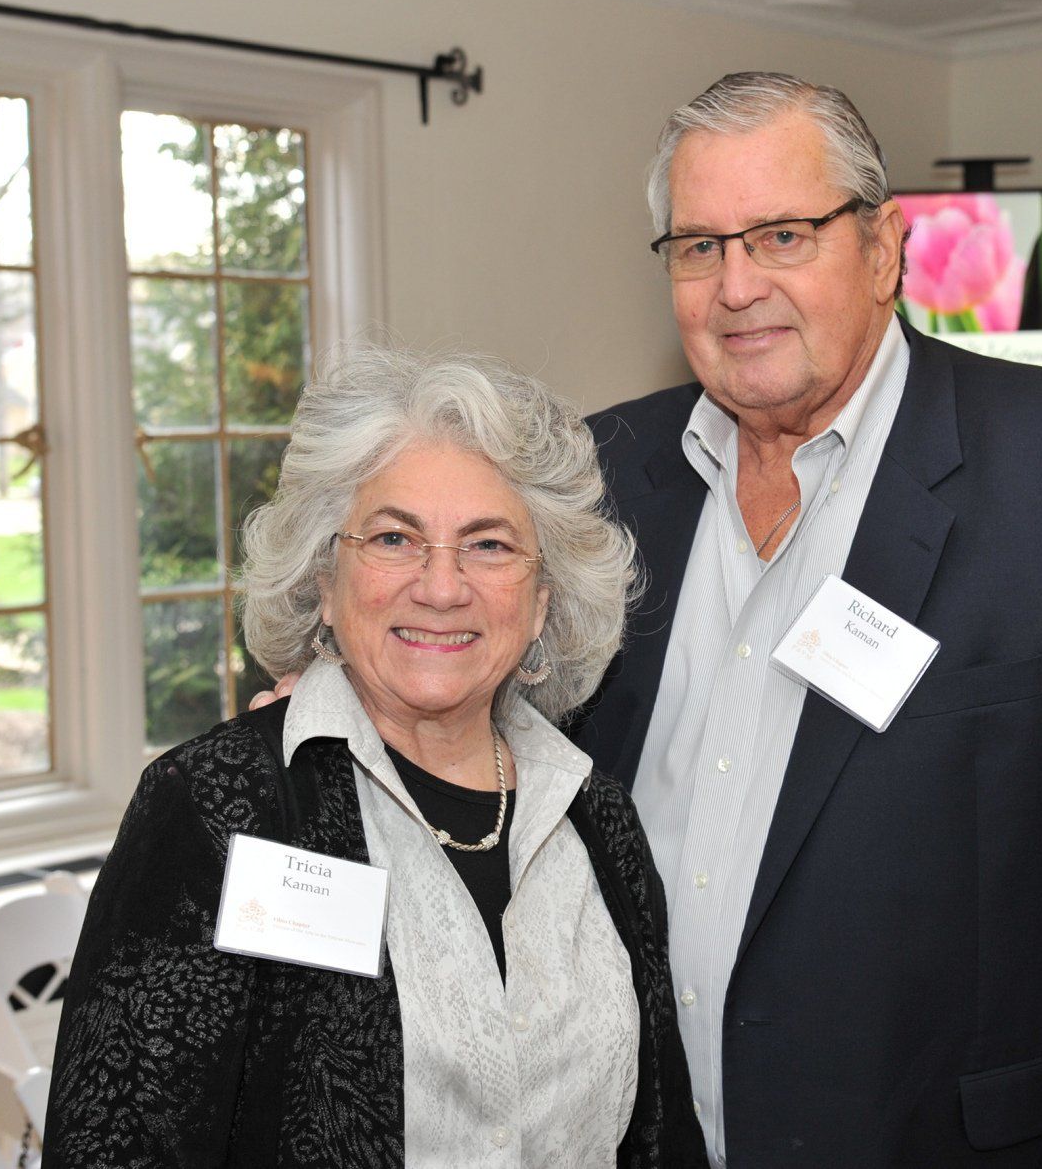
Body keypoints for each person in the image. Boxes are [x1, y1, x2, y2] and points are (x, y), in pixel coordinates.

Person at [570, 73, 1042, 1165]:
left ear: (885, 249)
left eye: (784, 235)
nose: (737, 286)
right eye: (700, 246)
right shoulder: (598, 477)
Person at [44, 349, 705, 1167]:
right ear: (326, 581)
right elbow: (116, 1141)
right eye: (395, 538)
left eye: (489, 545)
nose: (441, 586)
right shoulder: (223, 806)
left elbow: (661, 1138)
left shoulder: (596, 818)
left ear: (542, 602)